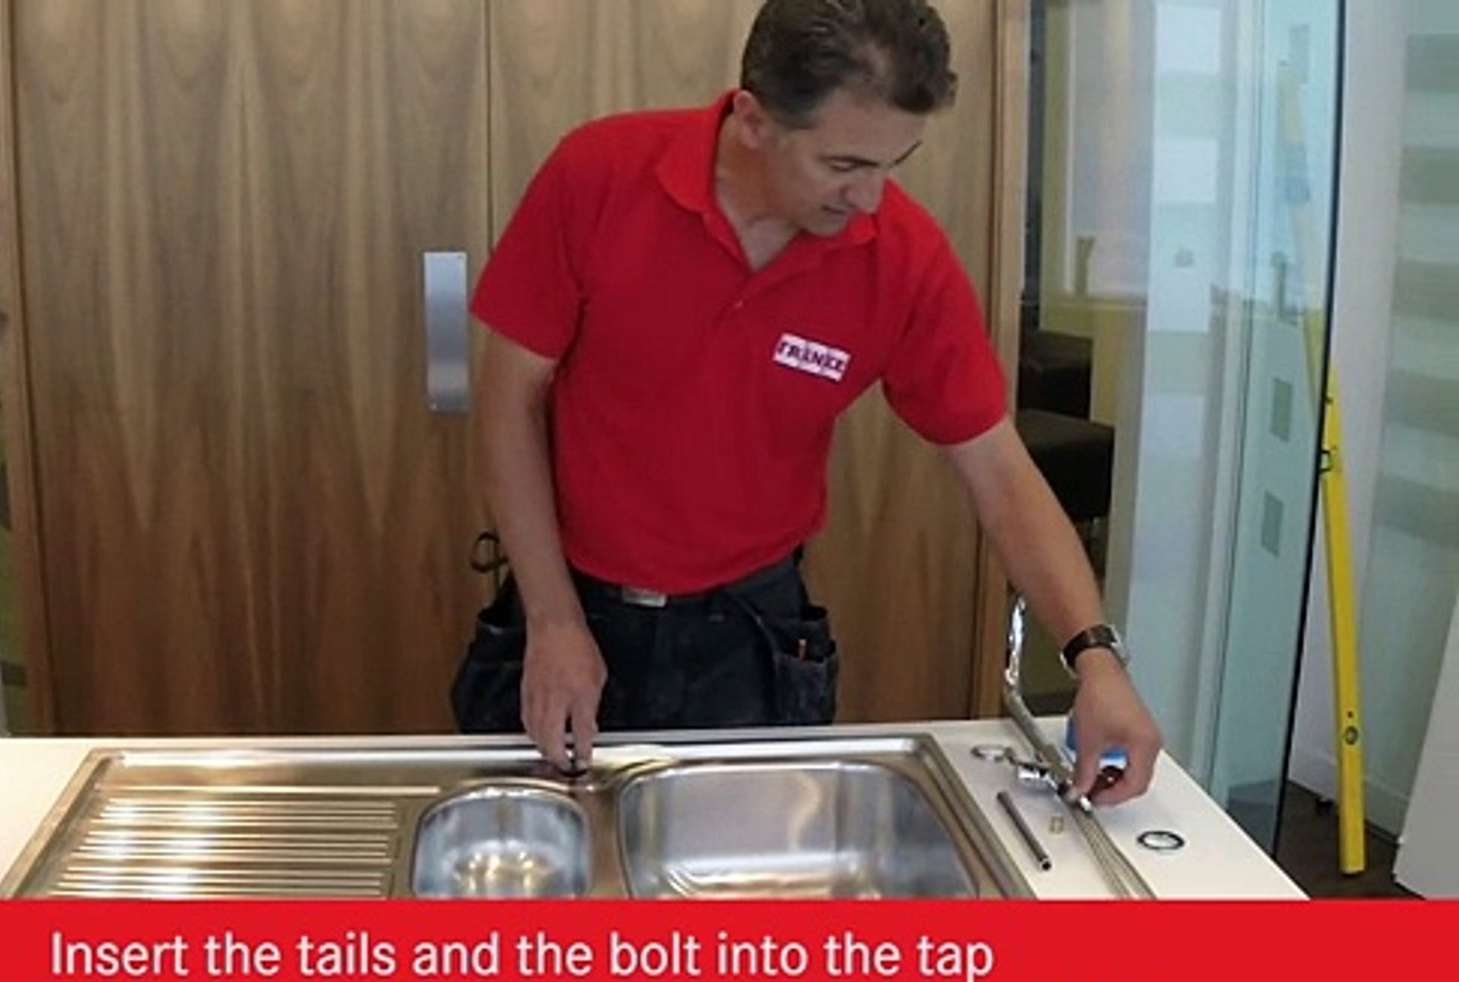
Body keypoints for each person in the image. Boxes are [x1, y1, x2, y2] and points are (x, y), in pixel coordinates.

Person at [449, 0, 1162, 807]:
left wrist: (1095, 658)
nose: (870, 198)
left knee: (746, 874)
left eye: (893, 164)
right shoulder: (600, 175)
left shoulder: (903, 258)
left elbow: (997, 469)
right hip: (567, 596)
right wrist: (553, 621)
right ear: (754, 120)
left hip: (751, 634)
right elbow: (508, 402)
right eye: (844, 164)